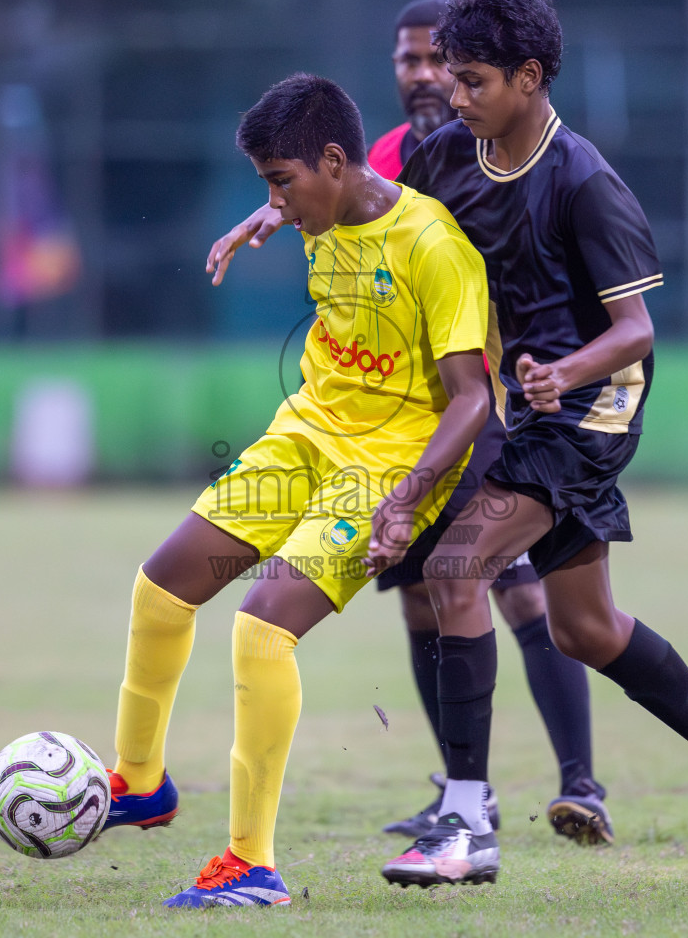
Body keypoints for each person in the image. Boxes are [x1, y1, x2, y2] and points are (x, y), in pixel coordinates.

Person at [208, 0, 688, 896]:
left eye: (472, 81)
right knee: (585, 628)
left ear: (530, 77)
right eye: (448, 77)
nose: (450, 96)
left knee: (460, 564)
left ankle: (464, 821)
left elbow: (635, 330)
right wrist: (278, 205)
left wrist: (559, 372)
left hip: (593, 402)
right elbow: (371, 201)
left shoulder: (585, 182)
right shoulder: (450, 154)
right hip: (524, 406)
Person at [103, 72, 491, 909]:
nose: (275, 200)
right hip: (304, 434)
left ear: (332, 159)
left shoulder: (431, 245)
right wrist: (274, 210)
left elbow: (472, 399)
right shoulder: (315, 206)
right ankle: (139, 782)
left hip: (386, 467)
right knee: (162, 586)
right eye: (264, 186)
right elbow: (303, 203)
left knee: (259, 631)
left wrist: (405, 502)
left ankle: (252, 865)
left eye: (281, 182)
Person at [371, 0, 611, 845]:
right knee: (421, 605)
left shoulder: (513, 153)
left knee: (509, 590)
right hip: (417, 415)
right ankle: (463, 791)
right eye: (409, 60)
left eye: (444, 63)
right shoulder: (390, 162)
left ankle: (579, 780)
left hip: (497, 405)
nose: (426, 76)